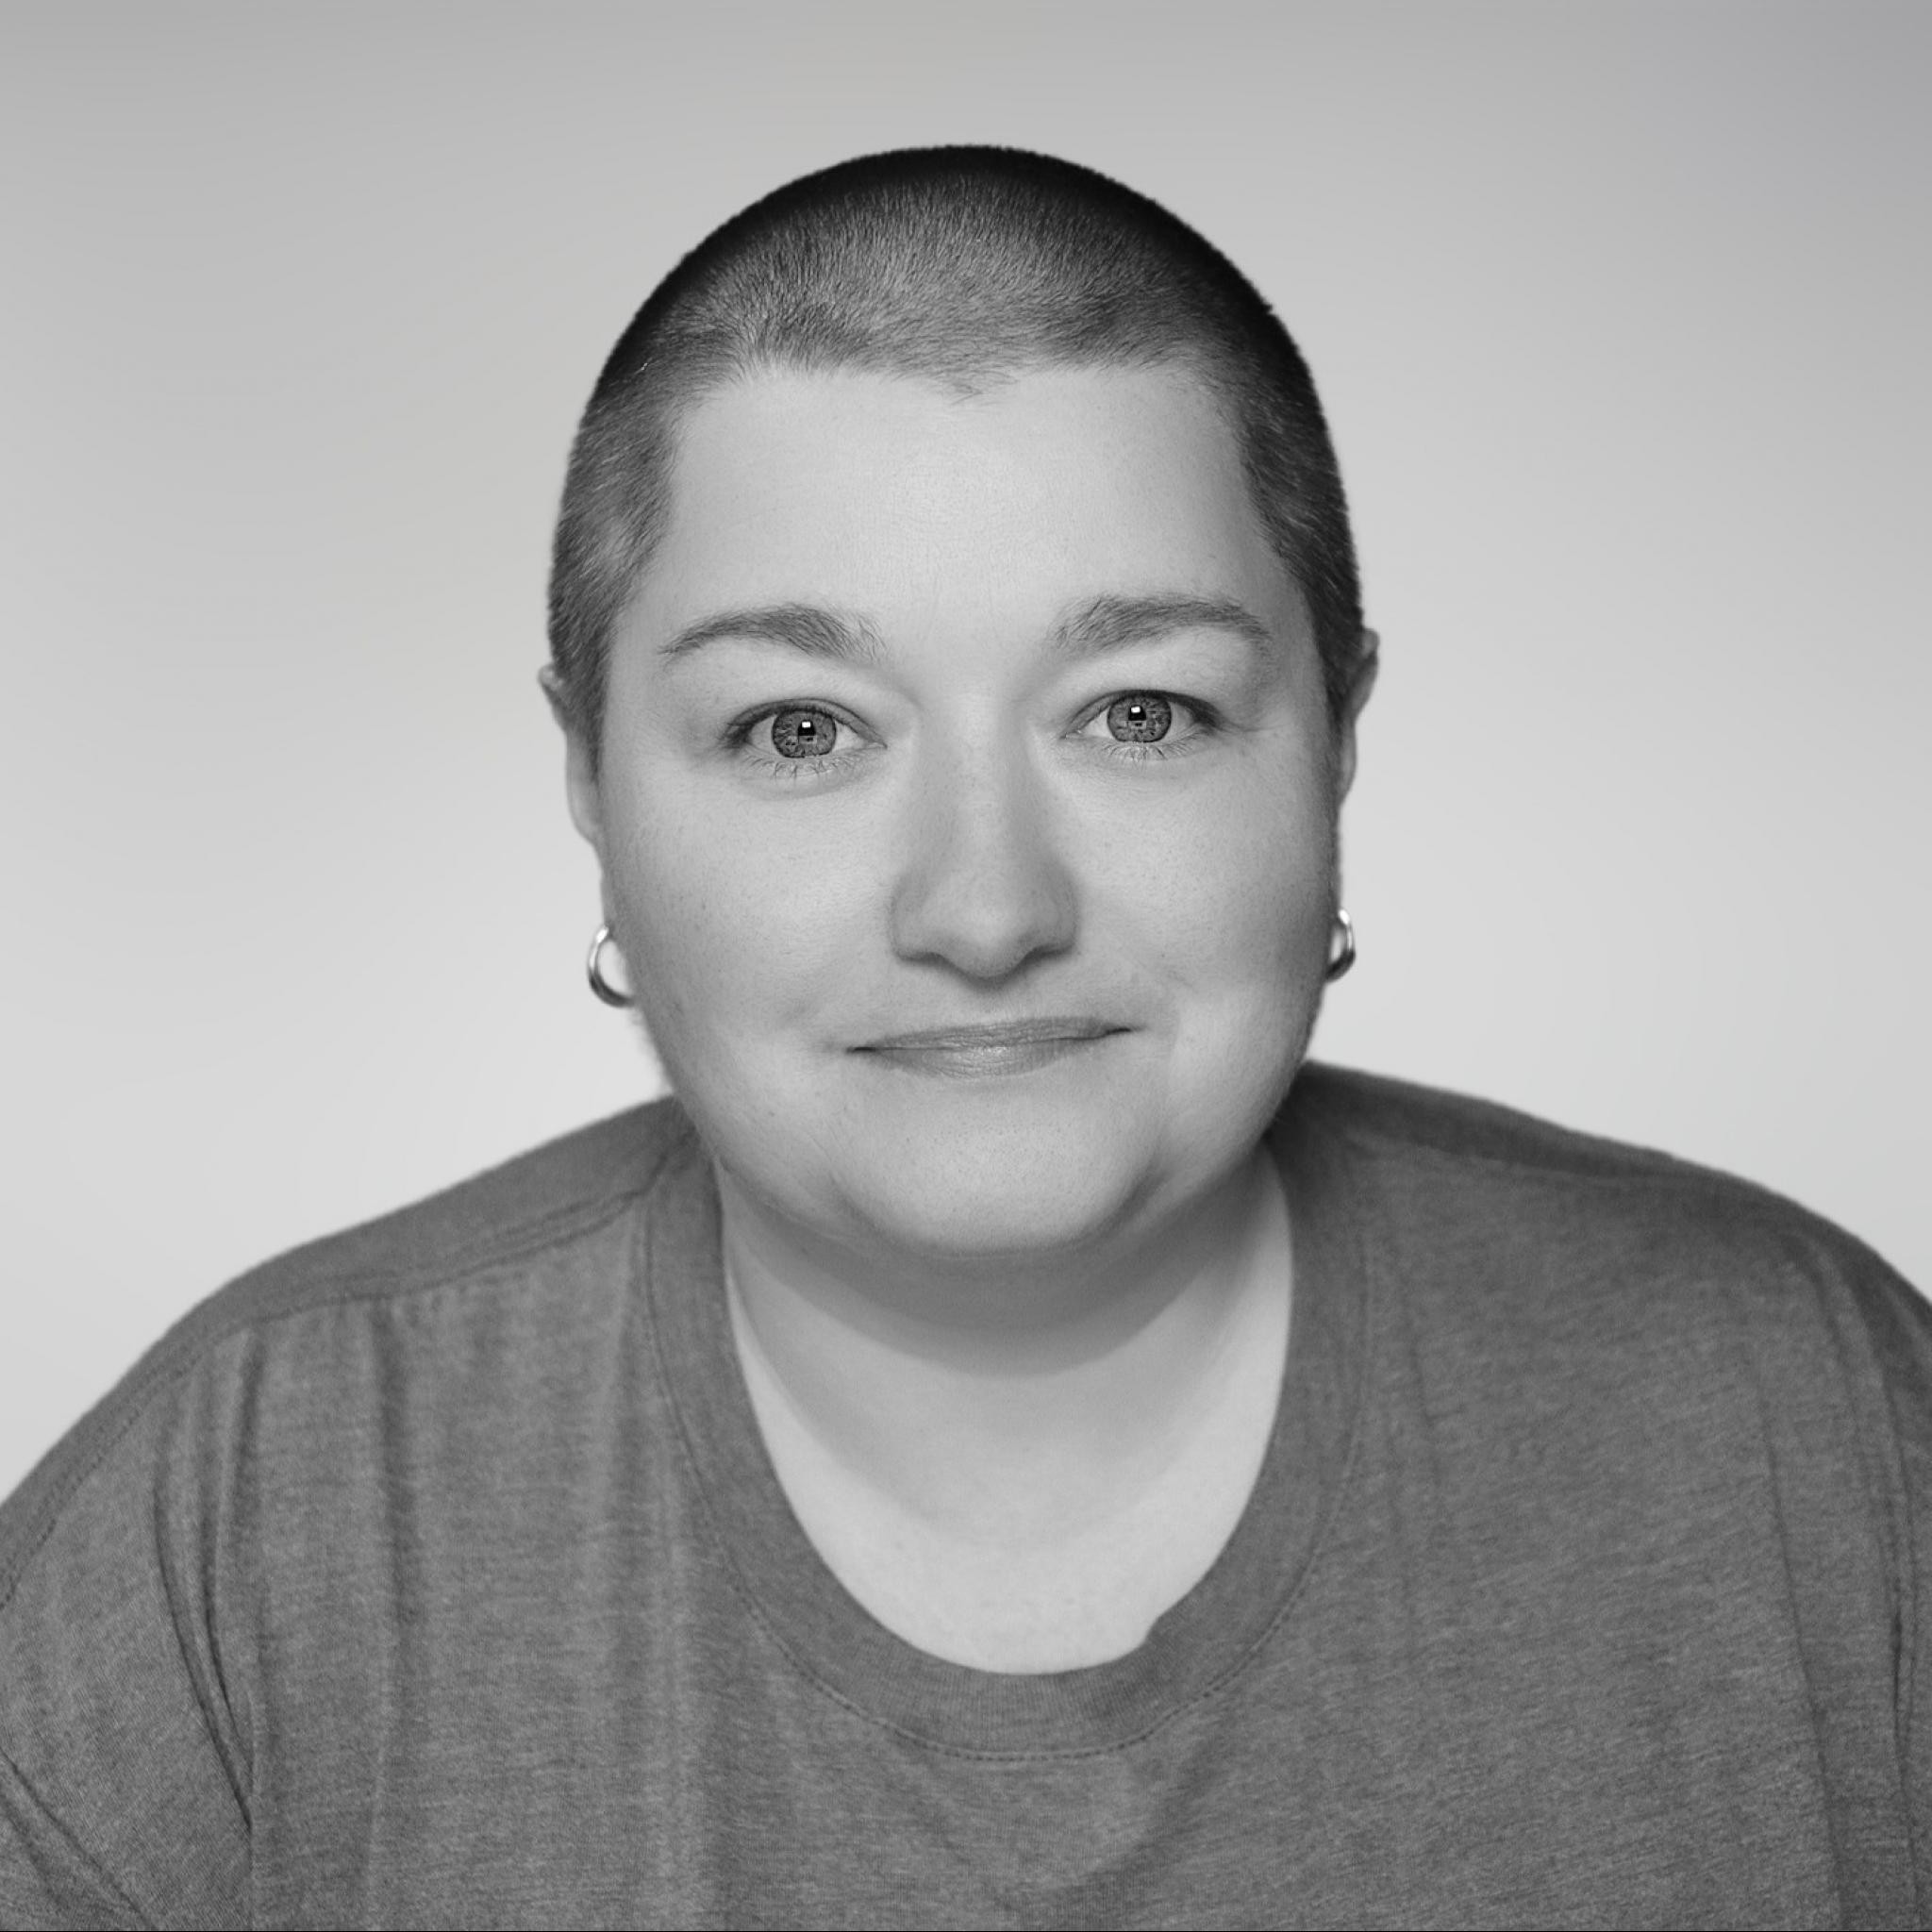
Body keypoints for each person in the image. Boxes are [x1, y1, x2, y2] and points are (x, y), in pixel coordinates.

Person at [1, 144, 1925, 1931]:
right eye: (800, 730)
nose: (986, 910)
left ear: (1336, 736)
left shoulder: (1811, 1415)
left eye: (1142, 713)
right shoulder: (234, 1527)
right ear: (588, 778)